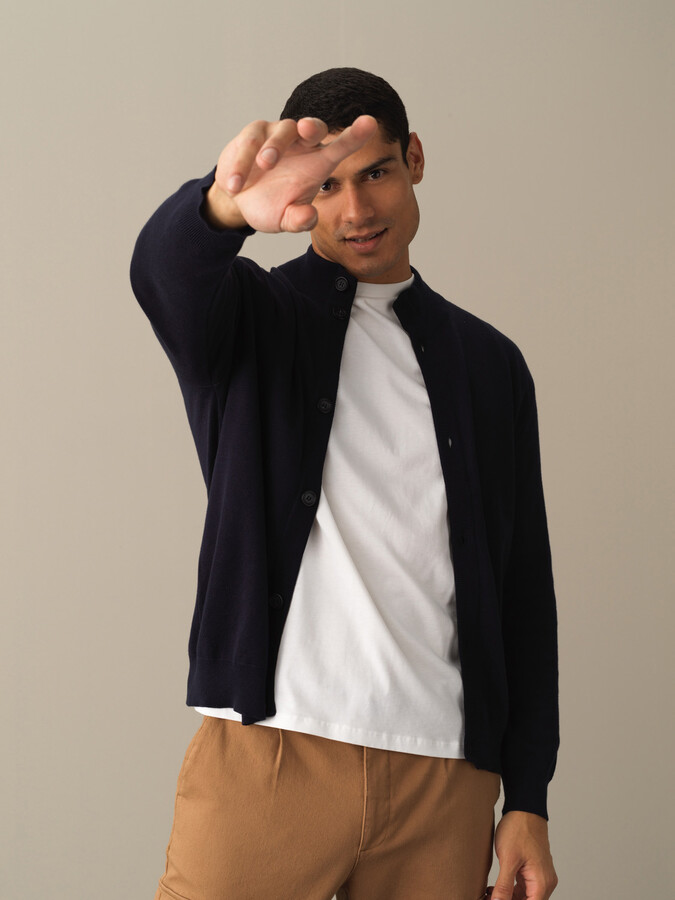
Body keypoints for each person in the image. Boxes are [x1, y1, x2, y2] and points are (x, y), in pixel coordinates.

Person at [131, 67, 559, 900]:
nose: (356, 209)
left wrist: (527, 796)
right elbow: (162, 274)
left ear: (414, 159)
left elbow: (521, 590)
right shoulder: (250, 320)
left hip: (444, 779)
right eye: (325, 186)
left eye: (376, 173)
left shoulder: (488, 364)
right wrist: (223, 208)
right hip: (273, 752)